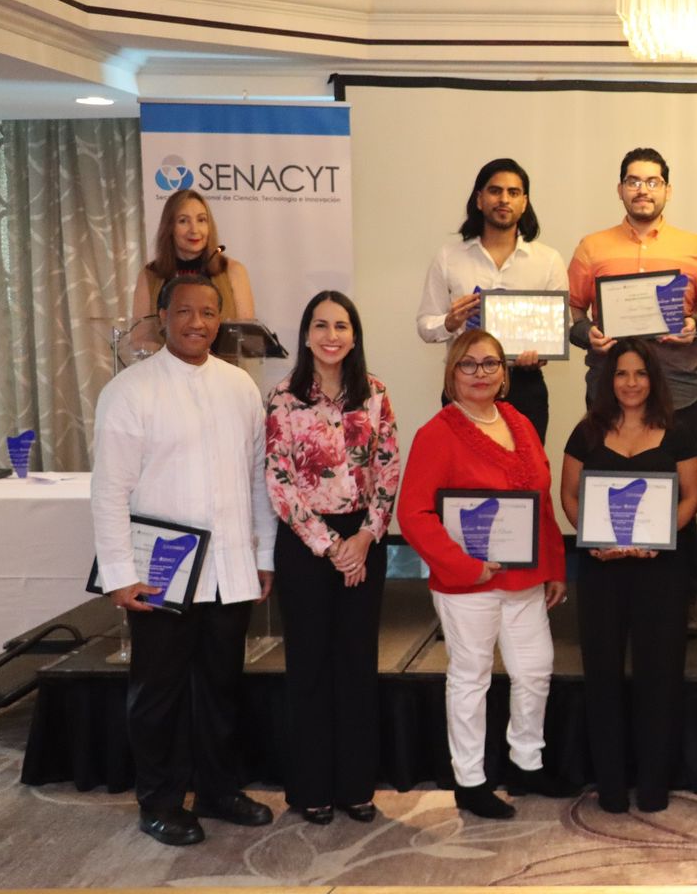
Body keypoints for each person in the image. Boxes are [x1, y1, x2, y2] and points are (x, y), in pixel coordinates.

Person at [90, 274, 276, 846]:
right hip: (160, 574)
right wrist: (120, 574)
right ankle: (162, 800)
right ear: (162, 315)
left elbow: (257, 480)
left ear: (221, 319)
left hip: (229, 568)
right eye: (185, 311)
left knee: (221, 686)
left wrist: (263, 554)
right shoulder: (130, 390)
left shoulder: (241, 387)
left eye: (209, 312)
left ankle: (220, 789)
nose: (197, 323)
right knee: (159, 690)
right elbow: (109, 491)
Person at [396, 330, 568, 820]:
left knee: (534, 671)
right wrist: (465, 565)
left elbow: (541, 503)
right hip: (466, 583)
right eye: (468, 365)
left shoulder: (520, 422)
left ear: (505, 373)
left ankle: (526, 763)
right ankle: (470, 780)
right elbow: (414, 514)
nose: (480, 374)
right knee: (470, 679)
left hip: (526, 580)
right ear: (451, 374)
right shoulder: (438, 432)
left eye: (490, 364)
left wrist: (554, 564)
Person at [568, 147, 697, 638]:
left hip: (679, 389)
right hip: (608, 393)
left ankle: (679, 602)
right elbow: (571, 313)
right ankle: (609, 599)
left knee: (677, 495)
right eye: (634, 181)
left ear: (667, 189)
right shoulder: (592, 247)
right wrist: (587, 335)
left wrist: (692, 322)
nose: (643, 189)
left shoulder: (695, 247)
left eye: (653, 181)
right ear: (620, 188)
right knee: (610, 493)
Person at [265, 291, 399, 825]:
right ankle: (312, 788)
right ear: (304, 335)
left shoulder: (376, 394)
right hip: (305, 544)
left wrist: (364, 539)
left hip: (364, 539)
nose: (331, 335)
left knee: (356, 663)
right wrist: (328, 546)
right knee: (310, 666)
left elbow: (388, 469)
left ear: (354, 335)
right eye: (320, 325)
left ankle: (355, 787)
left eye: (341, 325)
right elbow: (278, 479)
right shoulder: (282, 397)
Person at [559, 338, 697, 814]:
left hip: (661, 569)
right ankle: (613, 785)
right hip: (601, 570)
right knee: (601, 674)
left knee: (659, 674)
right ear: (608, 380)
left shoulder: (677, 432)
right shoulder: (586, 432)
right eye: (621, 374)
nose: (631, 383)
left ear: (653, 379)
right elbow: (571, 497)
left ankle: (655, 783)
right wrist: (596, 538)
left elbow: (691, 499)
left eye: (640, 373)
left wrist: (655, 538)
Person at [417, 158, 566, 441]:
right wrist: (449, 322)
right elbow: (425, 325)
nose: (504, 199)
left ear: (524, 202)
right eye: (495, 191)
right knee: (464, 476)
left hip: (524, 384)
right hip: (464, 382)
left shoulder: (548, 261)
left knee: (525, 475)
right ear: (479, 199)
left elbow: (561, 329)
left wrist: (541, 353)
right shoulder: (449, 257)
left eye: (513, 192)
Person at [134, 189, 256, 321]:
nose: (194, 229)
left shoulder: (233, 271)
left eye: (201, 220)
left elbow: (246, 336)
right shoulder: (150, 275)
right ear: (169, 227)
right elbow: (140, 337)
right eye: (183, 221)